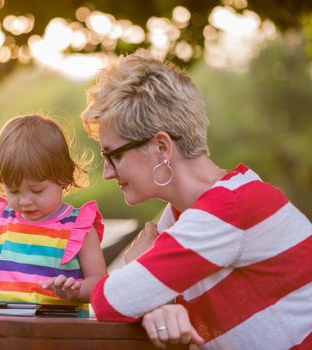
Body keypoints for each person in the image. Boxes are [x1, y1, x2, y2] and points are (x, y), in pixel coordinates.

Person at [80, 49, 312, 349]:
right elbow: (132, 299)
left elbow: (108, 301)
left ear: (161, 147)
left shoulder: (229, 209)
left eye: (114, 155)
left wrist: (136, 263)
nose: (108, 172)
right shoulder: (182, 217)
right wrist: (156, 303)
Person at [0, 114, 107, 310]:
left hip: (59, 331)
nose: (25, 201)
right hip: (4, 328)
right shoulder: (2, 223)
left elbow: (100, 282)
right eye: (13, 191)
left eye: (37, 190)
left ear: (65, 177)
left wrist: (77, 290)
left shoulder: (78, 229)